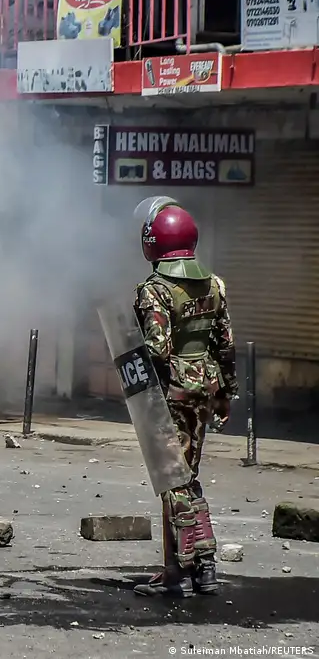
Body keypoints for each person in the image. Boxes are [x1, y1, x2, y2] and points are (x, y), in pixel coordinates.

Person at [131, 197, 236, 598]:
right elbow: (225, 345)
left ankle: (192, 564)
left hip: (171, 394)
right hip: (204, 390)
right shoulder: (215, 285)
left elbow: (156, 350)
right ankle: (194, 568)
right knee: (187, 475)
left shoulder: (155, 291)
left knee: (173, 480)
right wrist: (226, 394)